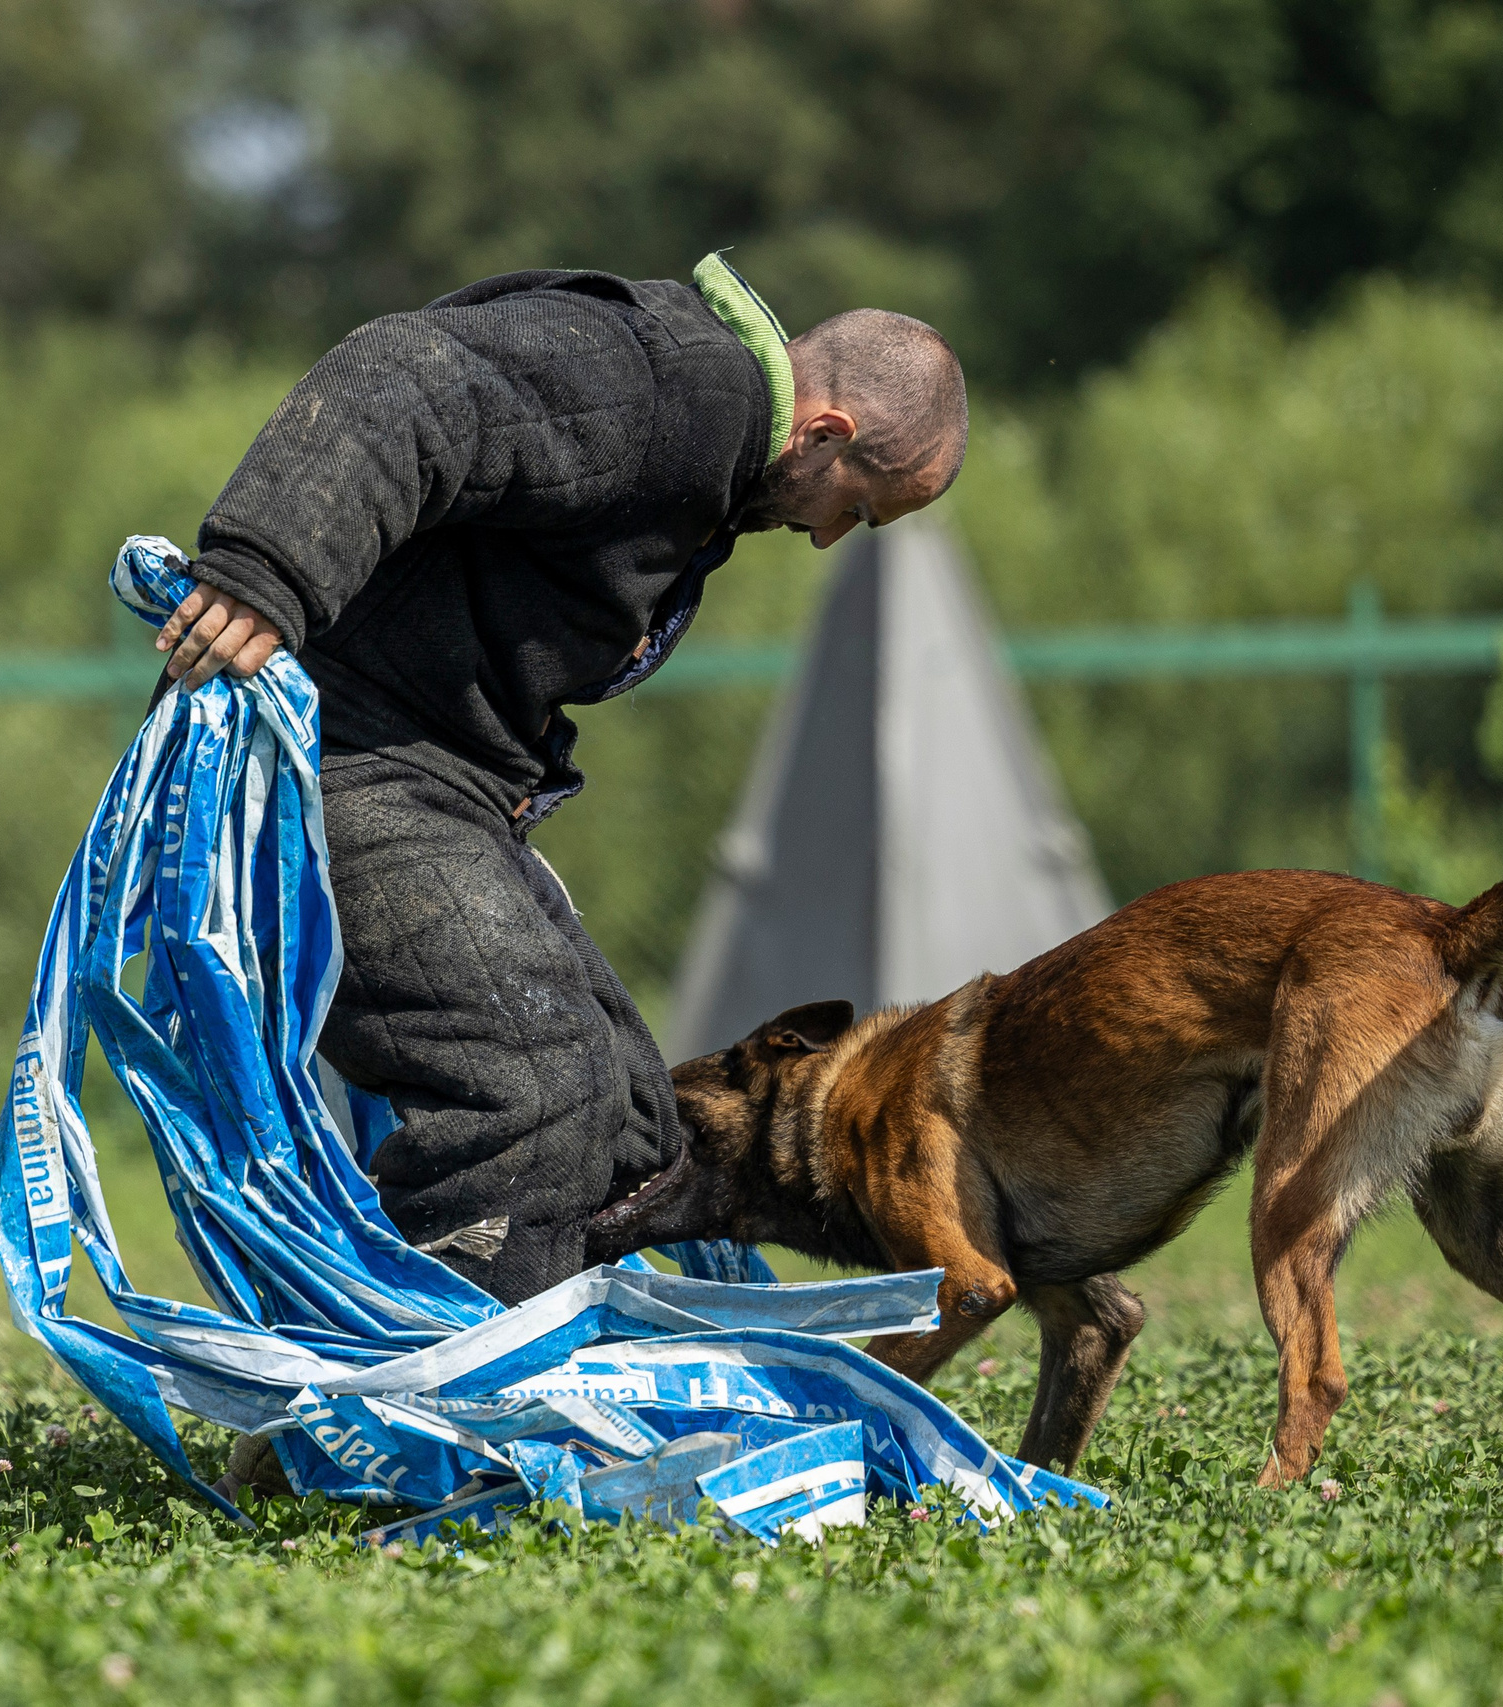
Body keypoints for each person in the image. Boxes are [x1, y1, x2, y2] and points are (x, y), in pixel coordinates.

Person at [152, 254, 969, 1305]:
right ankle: (435, 1376)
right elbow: (407, 374)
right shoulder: (667, 387)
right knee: (534, 1091)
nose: (825, 537)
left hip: (433, 782)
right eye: (856, 507)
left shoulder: (713, 449)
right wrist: (265, 567)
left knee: (633, 1119)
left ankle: (532, 1347)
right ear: (825, 433)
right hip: (336, 756)